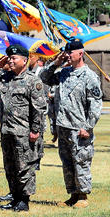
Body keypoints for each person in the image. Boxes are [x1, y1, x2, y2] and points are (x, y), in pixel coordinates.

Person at [0, 44, 47, 212]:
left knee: (24, 168)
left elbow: (39, 109)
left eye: (14, 58)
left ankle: (24, 200)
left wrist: (35, 130)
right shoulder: (4, 77)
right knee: (10, 167)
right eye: (9, 58)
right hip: (7, 131)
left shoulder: (33, 80)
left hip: (24, 132)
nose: (10, 60)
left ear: (24, 60)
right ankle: (15, 198)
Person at [39, 39, 102, 209]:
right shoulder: (64, 73)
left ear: (80, 54)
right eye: (65, 52)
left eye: (70, 52)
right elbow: (44, 77)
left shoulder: (89, 76)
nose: (66, 55)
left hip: (79, 128)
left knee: (81, 161)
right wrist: (55, 62)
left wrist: (87, 127)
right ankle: (73, 195)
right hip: (63, 126)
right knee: (67, 163)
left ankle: (83, 195)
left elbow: (95, 104)